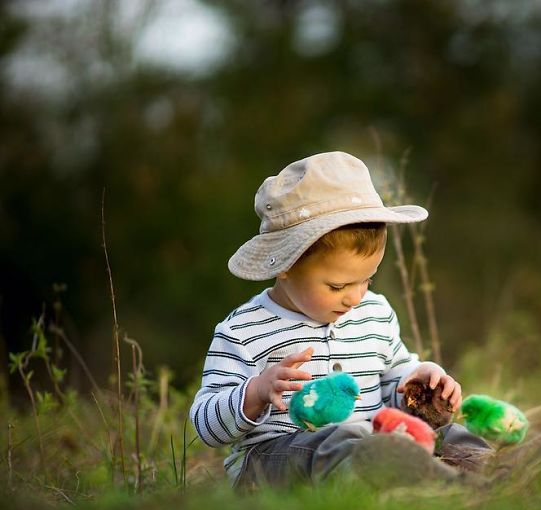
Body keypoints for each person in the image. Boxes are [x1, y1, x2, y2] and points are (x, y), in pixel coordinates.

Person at [189, 151, 491, 489]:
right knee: (340, 442)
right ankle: (435, 481)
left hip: (370, 443)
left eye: (367, 280)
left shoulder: (375, 313)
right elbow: (206, 425)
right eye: (337, 286)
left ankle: (488, 477)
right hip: (273, 459)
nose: (355, 297)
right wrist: (256, 392)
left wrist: (418, 388)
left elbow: (390, 383)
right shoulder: (243, 330)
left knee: (446, 434)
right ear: (285, 264)